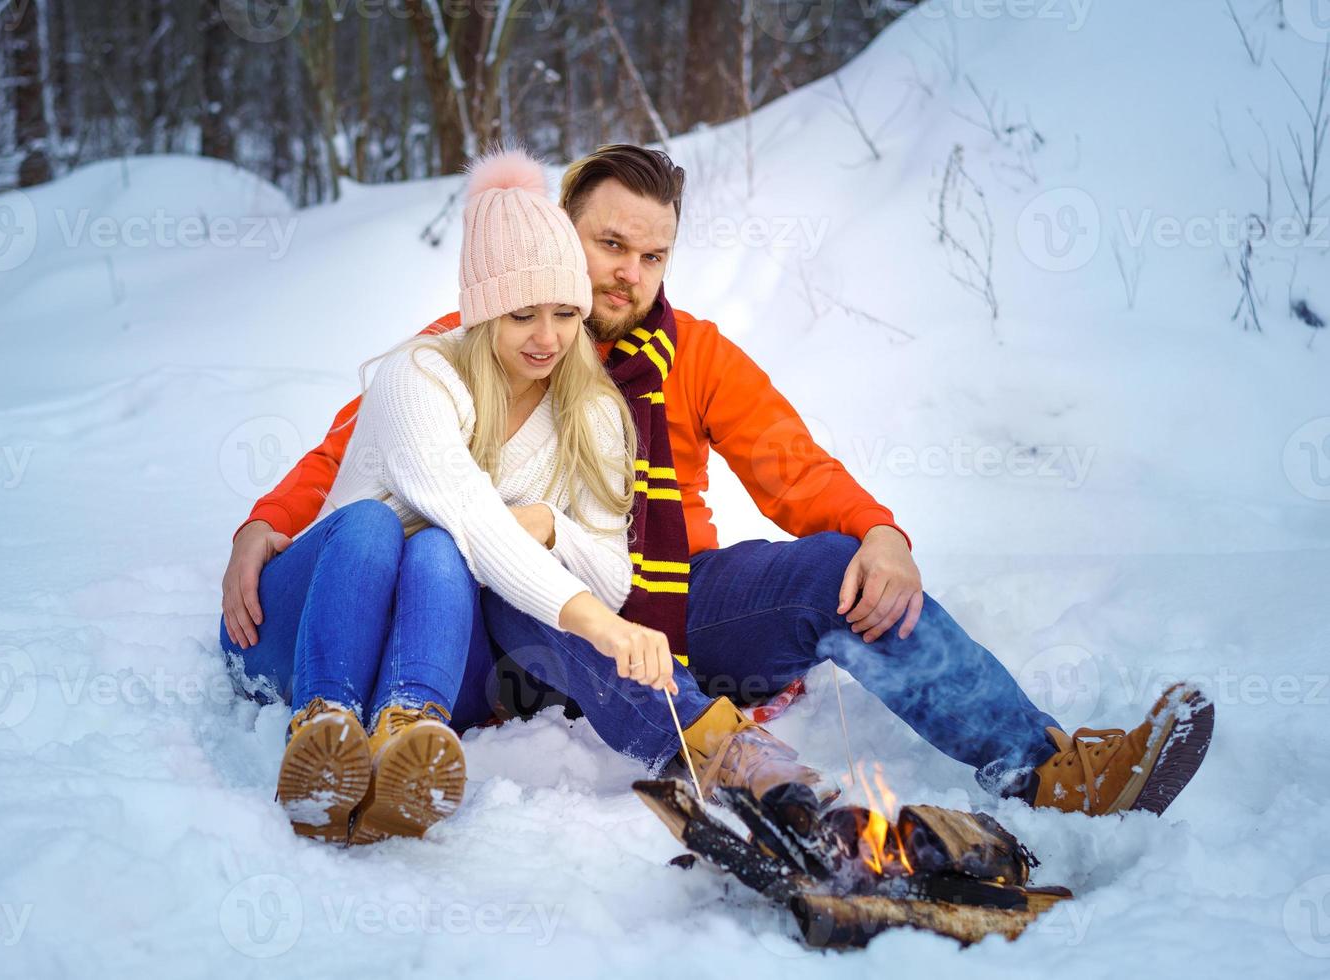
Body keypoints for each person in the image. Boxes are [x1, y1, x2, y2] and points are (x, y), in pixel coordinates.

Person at [225, 144, 1212, 819]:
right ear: (557, 235)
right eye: (607, 245)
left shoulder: (693, 355)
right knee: (522, 581)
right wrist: (264, 527)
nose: (626, 275)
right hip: (504, 612)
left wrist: (878, 533)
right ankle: (726, 762)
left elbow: (791, 464)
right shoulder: (481, 341)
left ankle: (1049, 767)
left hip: (665, 592)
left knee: (835, 570)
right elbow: (358, 460)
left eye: (651, 254)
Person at [219, 149, 683, 846]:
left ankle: (408, 734)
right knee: (378, 525)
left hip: (432, 659)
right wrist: (603, 629)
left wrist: (552, 526)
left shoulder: (593, 414)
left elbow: (613, 576)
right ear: (483, 310)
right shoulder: (422, 376)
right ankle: (323, 731)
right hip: (305, 628)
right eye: (523, 314)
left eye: (565, 313)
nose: (548, 338)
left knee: (437, 550)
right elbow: (471, 518)